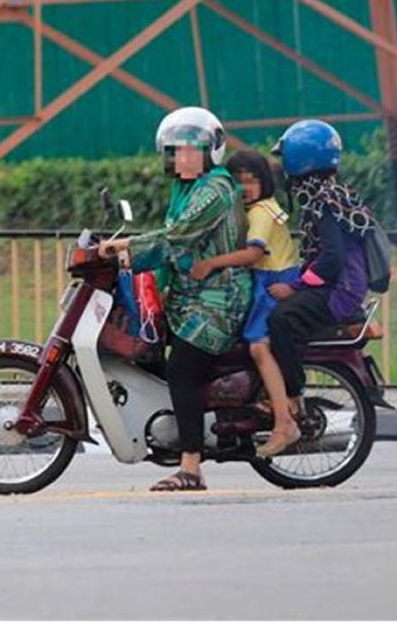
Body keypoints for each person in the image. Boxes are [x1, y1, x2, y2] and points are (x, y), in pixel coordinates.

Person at [99, 107, 252, 492]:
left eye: (190, 151)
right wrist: (153, 288)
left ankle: (190, 468)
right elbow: (171, 246)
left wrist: (124, 250)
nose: (182, 158)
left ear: (210, 152)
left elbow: (177, 239)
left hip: (219, 299)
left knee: (183, 370)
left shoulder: (216, 190)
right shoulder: (184, 190)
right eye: (175, 151)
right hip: (189, 297)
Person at [189, 150, 302, 457]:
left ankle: (284, 423)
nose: (244, 189)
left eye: (251, 182)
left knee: (258, 347)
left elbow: (253, 254)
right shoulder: (250, 211)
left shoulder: (262, 212)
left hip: (271, 282)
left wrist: (211, 264)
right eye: (238, 182)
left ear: (264, 182)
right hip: (262, 281)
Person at [267, 119, 375, 418]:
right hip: (339, 285)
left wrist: (294, 287)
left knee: (281, 320)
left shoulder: (324, 200)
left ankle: (291, 396)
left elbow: (331, 258)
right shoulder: (328, 192)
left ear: (300, 160)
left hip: (340, 290)